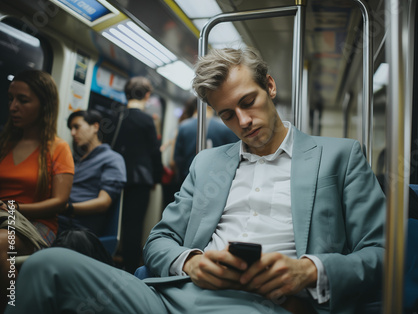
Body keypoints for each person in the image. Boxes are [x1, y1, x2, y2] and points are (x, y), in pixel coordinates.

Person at [7, 48, 385, 314]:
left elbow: (382, 254)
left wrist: (310, 270)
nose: (244, 121)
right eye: (228, 115)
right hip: (171, 297)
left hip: (268, 303)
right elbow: (158, 241)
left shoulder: (340, 156)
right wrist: (190, 262)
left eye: (248, 101)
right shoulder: (208, 164)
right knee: (47, 265)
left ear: (269, 86)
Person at [0, 70, 74, 310]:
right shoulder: (4, 143)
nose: (13, 107)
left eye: (23, 100)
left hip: (37, 224)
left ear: (44, 105)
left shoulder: (58, 148)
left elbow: (60, 202)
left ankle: (12, 306)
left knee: (1, 244)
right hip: (4, 216)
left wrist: (16, 208)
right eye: (11, 99)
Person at [112, 76, 163, 273]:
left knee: (115, 220)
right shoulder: (147, 120)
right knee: (134, 225)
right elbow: (154, 152)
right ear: (147, 96)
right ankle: (130, 266)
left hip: (115, 176)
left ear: (126, 94)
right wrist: (156, 177)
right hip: (140, 179)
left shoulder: (116, 117)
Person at [58, 110, 126, 236]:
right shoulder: (78, 161)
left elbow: (103, 203)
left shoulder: (112, 159)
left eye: (77, 127)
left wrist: (68, 208)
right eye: (71, 129)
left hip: (75, 228)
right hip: (58, 219)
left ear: (95, 127)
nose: (72, 133)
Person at [173, 97, 239, 184]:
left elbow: (177, 158)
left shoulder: (183, 127)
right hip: (218, 182)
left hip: (188, 178)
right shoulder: (226, 127)